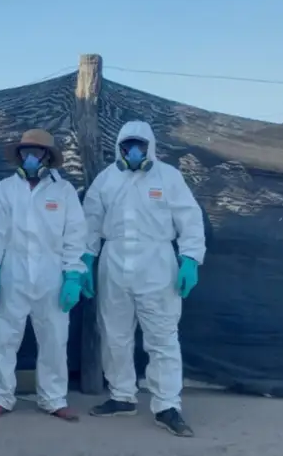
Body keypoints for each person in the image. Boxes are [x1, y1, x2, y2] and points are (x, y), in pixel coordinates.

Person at [82, 120, 206, 438]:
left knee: (162, 336)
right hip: (114, 261)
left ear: (149, 147)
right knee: (114, 333)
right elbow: (90, 222)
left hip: (157, 263)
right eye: (128, 146)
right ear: (119, 148)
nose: (134, 151)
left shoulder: (169, 177)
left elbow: (190, 219)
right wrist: (84, 261)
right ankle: (122, 395)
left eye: (139, 146)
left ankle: (167, 405)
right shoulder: (106, 179)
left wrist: (190, 259)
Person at [0, 129, 87, 421]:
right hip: (12, 273)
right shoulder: (5, 189)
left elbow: (75, 235)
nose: (29, 158)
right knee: (3, 337)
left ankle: (53, 398)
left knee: (54, 338)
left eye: (36, 152)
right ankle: (0, 397)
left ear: (47, 157)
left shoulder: (63, 192)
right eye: (25, 152)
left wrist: (73, 276)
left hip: (51, 275)